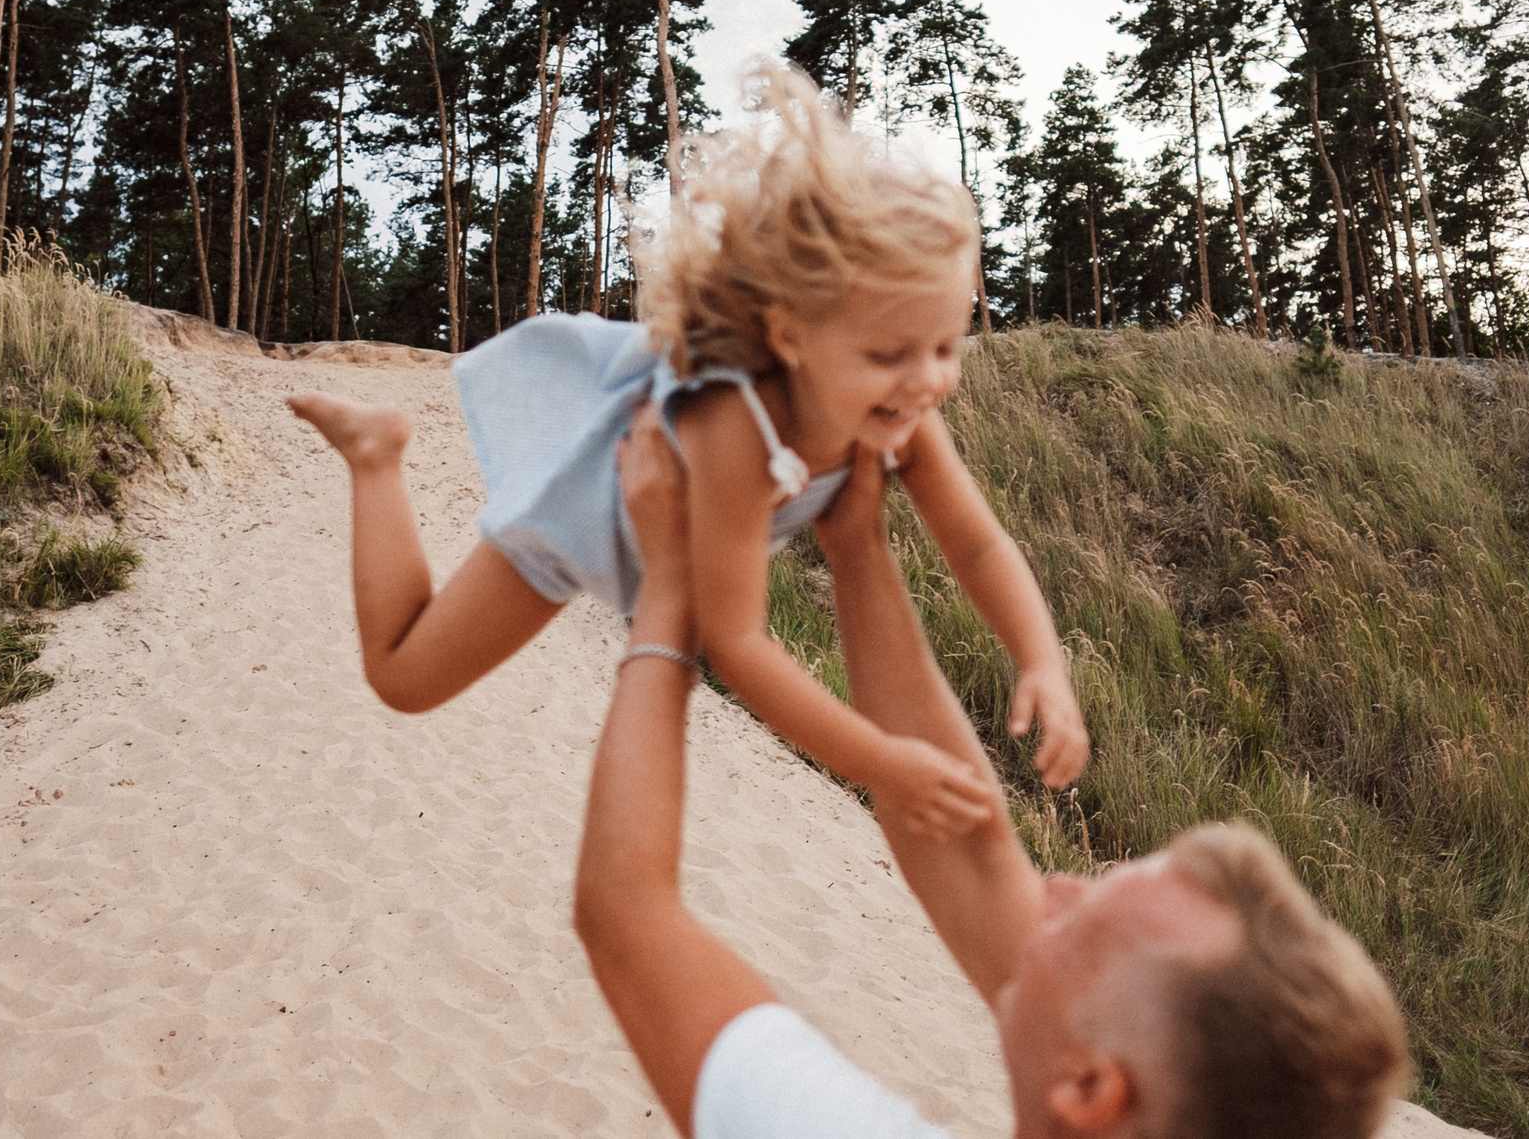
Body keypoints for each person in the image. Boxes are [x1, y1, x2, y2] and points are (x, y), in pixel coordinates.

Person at [288, 66, 1088, 835]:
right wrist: (880, 761)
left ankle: (373, 450)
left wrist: (1041, 660)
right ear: (789, 335)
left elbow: (979, 543)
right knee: (403, 677)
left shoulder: (904, 417)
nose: (928, 380)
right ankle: (375, 453)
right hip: (582, 520)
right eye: (890, 354)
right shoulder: (737, 429)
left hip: (658, 543)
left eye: (947, 345)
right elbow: (737, 642)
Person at [575, 408, 1411, 1139]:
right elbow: (972, 853)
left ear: (1090, 1087)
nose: (1049, 891)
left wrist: (669, 594)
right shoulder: (1140, 1074)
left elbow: (625, 904)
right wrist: (858, 545)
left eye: (1080, 929)